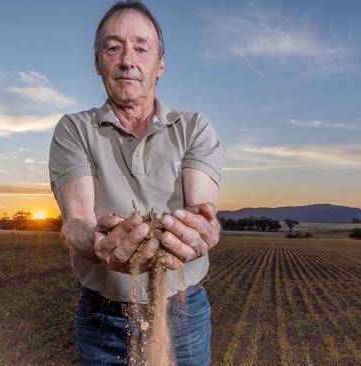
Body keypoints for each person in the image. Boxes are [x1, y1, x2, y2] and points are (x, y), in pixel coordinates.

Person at [48, 1, 222, 364]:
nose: (128, 60)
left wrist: (203, 231)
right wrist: (99, 245)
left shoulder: (193, 128)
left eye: (141, 48)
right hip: (102, 316)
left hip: (183, 311)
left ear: (161, 63)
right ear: (98, 62)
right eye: (113, 48)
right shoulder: (75, 129)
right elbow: (76, 221)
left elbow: (202, 210)